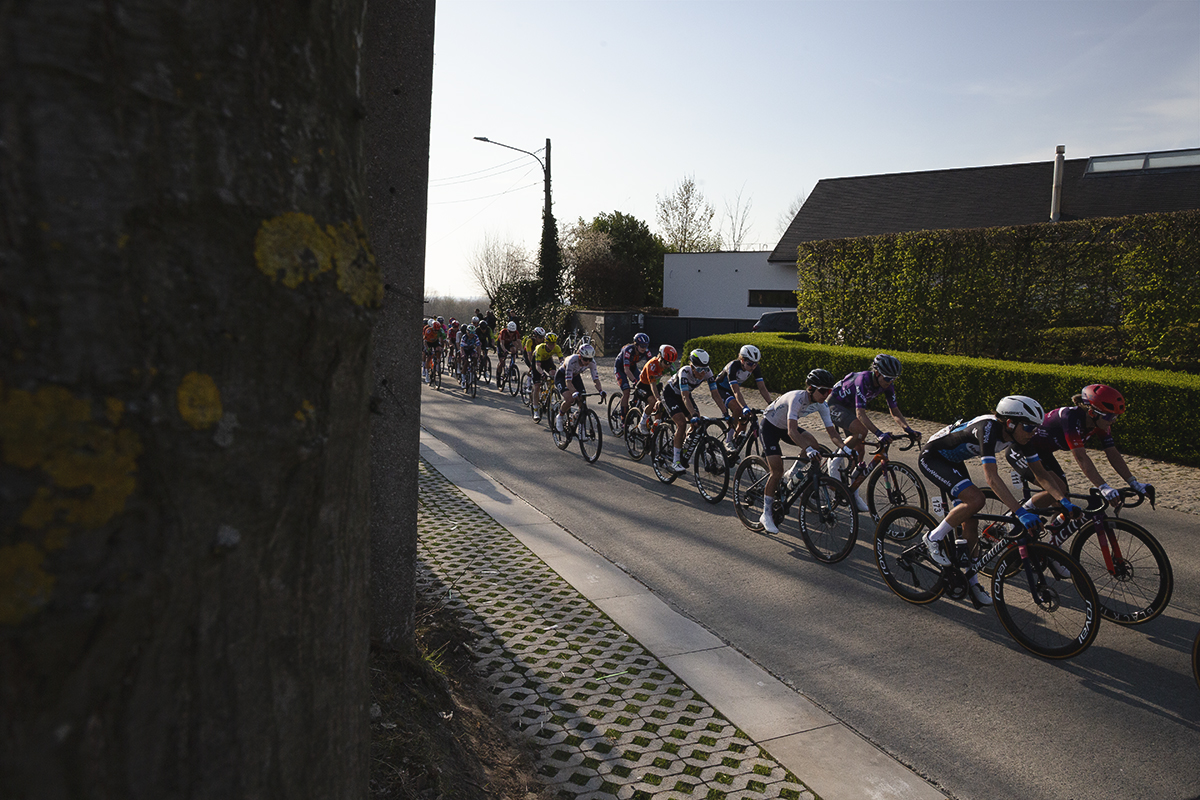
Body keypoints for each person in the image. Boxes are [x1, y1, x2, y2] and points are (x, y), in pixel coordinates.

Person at [918, 395, 1080, 606]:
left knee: (971, 522)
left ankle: (972, 582)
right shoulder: (988, 428)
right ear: (1010, 423)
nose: (1033, 433)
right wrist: (1020, 513)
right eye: (1029, 428)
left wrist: (1063, 500)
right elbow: (992, 478)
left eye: (1036, 428)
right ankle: (933, 538)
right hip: (933, 458)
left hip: (954, 462)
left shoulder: (1021, 436)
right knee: (976, 500)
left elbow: (1041, 474)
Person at [1007, 384, 1153, 525]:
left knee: (1063, 505)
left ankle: (1050, 546)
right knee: (1059, 489)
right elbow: (1081, 457)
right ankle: (1016, 516)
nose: (1113, 421)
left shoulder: (1099, 424)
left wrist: (1134, 483)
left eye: (1115, 417)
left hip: (1042, 452)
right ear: (1092, 413)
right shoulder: (1070, 417)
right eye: (1110, 417)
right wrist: (1103, 487)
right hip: (1020, 450)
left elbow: (1112, 453)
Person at [826, 353, 921, 511]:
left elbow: (895, 411)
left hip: (849, 408)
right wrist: (879, 434)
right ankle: (834, 462)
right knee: (861, 431)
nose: (890, 382)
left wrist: (908, 429)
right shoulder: (862, 380)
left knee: (860, 450)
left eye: (893, 379)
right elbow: (860, 414)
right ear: (877, 373)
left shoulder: (887, 384)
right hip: (835, 404)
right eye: (888, 378)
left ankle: (853, 491)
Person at [757, 369, 845, 534]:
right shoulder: (797, 398)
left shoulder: (822, 404)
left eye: (830, 391)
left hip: (785, 427)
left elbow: (832, 433)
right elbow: (792, 431)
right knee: (776, 470)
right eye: (823, 390)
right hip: (770, 426)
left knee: (813, 443)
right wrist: (808, 450)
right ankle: (766, 513)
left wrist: (845, 448)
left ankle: (793, 473)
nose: (826, 394)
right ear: (811, 388)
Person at [659, 349, 726, 473]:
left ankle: (684, 447)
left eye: (705, 369)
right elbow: (684, 396)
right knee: (682, 423)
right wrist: (693, 414)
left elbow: (715, 394)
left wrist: (725, 413)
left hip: (685, 396)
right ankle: (676, 461)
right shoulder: (684, 371)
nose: (702, 373)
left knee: (697, 424)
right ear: (692, 366)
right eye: (699, 369)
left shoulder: (708, 372)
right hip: (670, 395)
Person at [715, 344, 773, 449]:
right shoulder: (733, 366)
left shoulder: (754, 367)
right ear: (742, 360)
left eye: (755, 364)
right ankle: (728, 441)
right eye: (750, 364)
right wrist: (744, 406)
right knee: (738, 408)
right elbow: (736, 391)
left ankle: (736, 444)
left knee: (746, 416)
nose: (753, 367)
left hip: (732, 390)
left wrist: (771, 403)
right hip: (720, 389)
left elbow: (762, 388)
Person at [554, 343, 605, 432]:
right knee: (570, 399)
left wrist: (601, 391)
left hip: (576, 376)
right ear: (580, 356)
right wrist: (574, 392)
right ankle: (560, 416)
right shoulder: (572, 360)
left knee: (582, 399)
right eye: (585, 359)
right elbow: (568, 382)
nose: (588, 362)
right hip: (562, 376)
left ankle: (580, 424)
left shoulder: (592, 363)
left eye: (590, 359)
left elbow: (596, 380)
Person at [634, 344, 678, 434]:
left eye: (670, 363)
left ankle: (655, 433)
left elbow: (676, 381)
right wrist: (658, 399)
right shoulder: (652, 365)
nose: (668, 365)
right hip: (644, 386)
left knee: (660, 409)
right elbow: (652, 385)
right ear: (660, 357)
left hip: (656, 385)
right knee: (654, 401)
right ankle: (641, 423)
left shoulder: (670, 364)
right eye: (666, 362)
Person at [614, 333, 652, 425]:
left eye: (646, 346)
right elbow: (626, 370)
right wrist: (635, 382)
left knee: (641, 386)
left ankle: (634, 403)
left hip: (632, 367)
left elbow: (651, 365)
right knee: (626, 391)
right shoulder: (628, 350)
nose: (644, 348)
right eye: (642, 346)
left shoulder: (646, 351)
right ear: (636, 345)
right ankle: (623, 420)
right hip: (620, 368)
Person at [530, 332, 563, 422]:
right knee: (537, 385)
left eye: (554, 344)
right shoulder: (540, 348)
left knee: (553, 373)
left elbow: (562, 361)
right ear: (546, 343)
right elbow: (538, 366)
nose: (552, 346)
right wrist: (542, 373)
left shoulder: (557, 348)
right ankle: (536, 409)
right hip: (537, 362)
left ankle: (550, 392)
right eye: (550, 344)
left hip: (547, 360)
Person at [496, 320, 522, 385]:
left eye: (513, 332)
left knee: (514, 350)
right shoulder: (503, 332)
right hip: (501, 344)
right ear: (507, 330)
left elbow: (519, 342)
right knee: (502, 362)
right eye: (510, 332)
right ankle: (498, 377)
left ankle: (512, 365)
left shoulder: (516, 333)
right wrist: (505, 351)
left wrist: (522, 350)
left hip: (509, 344)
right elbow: (502, 344)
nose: (511, 334)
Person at [457, 324, 482, 389]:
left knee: (475, 357)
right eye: (470, 332)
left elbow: (478, 347)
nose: (471, 334)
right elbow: (461, 348)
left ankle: (473, 370)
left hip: (471, 349)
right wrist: (462, 354)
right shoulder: (464, 337)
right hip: (465, 350)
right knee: (465, 363)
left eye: (473, 332)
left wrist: (479, 356)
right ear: (467, 332)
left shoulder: (476, 337)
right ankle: (463, 380)